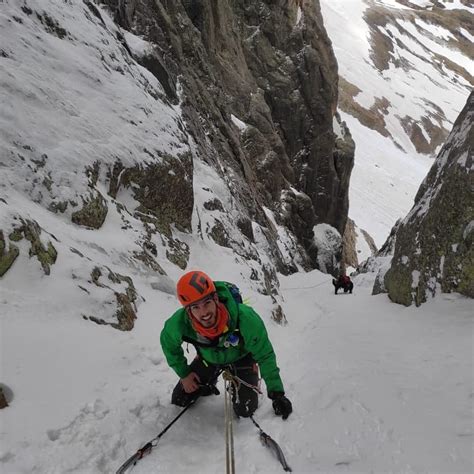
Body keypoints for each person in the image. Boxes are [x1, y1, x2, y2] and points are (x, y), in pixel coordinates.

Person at [160, 270, 292, 420]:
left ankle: (248, 378)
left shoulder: (245, 318)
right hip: (208, 359)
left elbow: (264, 354)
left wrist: (277, 394)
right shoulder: (180, 323)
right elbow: (168, 344)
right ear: (188, 310)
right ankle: (209, 382)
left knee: (245, 411)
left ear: (216, 299)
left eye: (207, 303)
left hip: (241, 357)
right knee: (179, 400)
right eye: (195, 307)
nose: (203, 313)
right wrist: (184, 374)